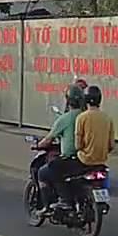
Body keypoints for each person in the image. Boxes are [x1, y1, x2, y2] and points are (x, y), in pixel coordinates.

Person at [51, 84, 115, 212]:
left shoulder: (82, 117)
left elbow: (78, 145)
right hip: (101, 162)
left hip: (84, 160)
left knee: (55, 167)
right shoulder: (108, 119)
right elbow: (111, 146)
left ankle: (65, 200)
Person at [34, 85, 85, 213]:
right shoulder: (86, 116)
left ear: (68, 100)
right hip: (86, 158)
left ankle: (63, 201)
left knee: (44, 172)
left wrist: (38, 145)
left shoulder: (65, 119)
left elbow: (48, 140)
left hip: (71, 159)